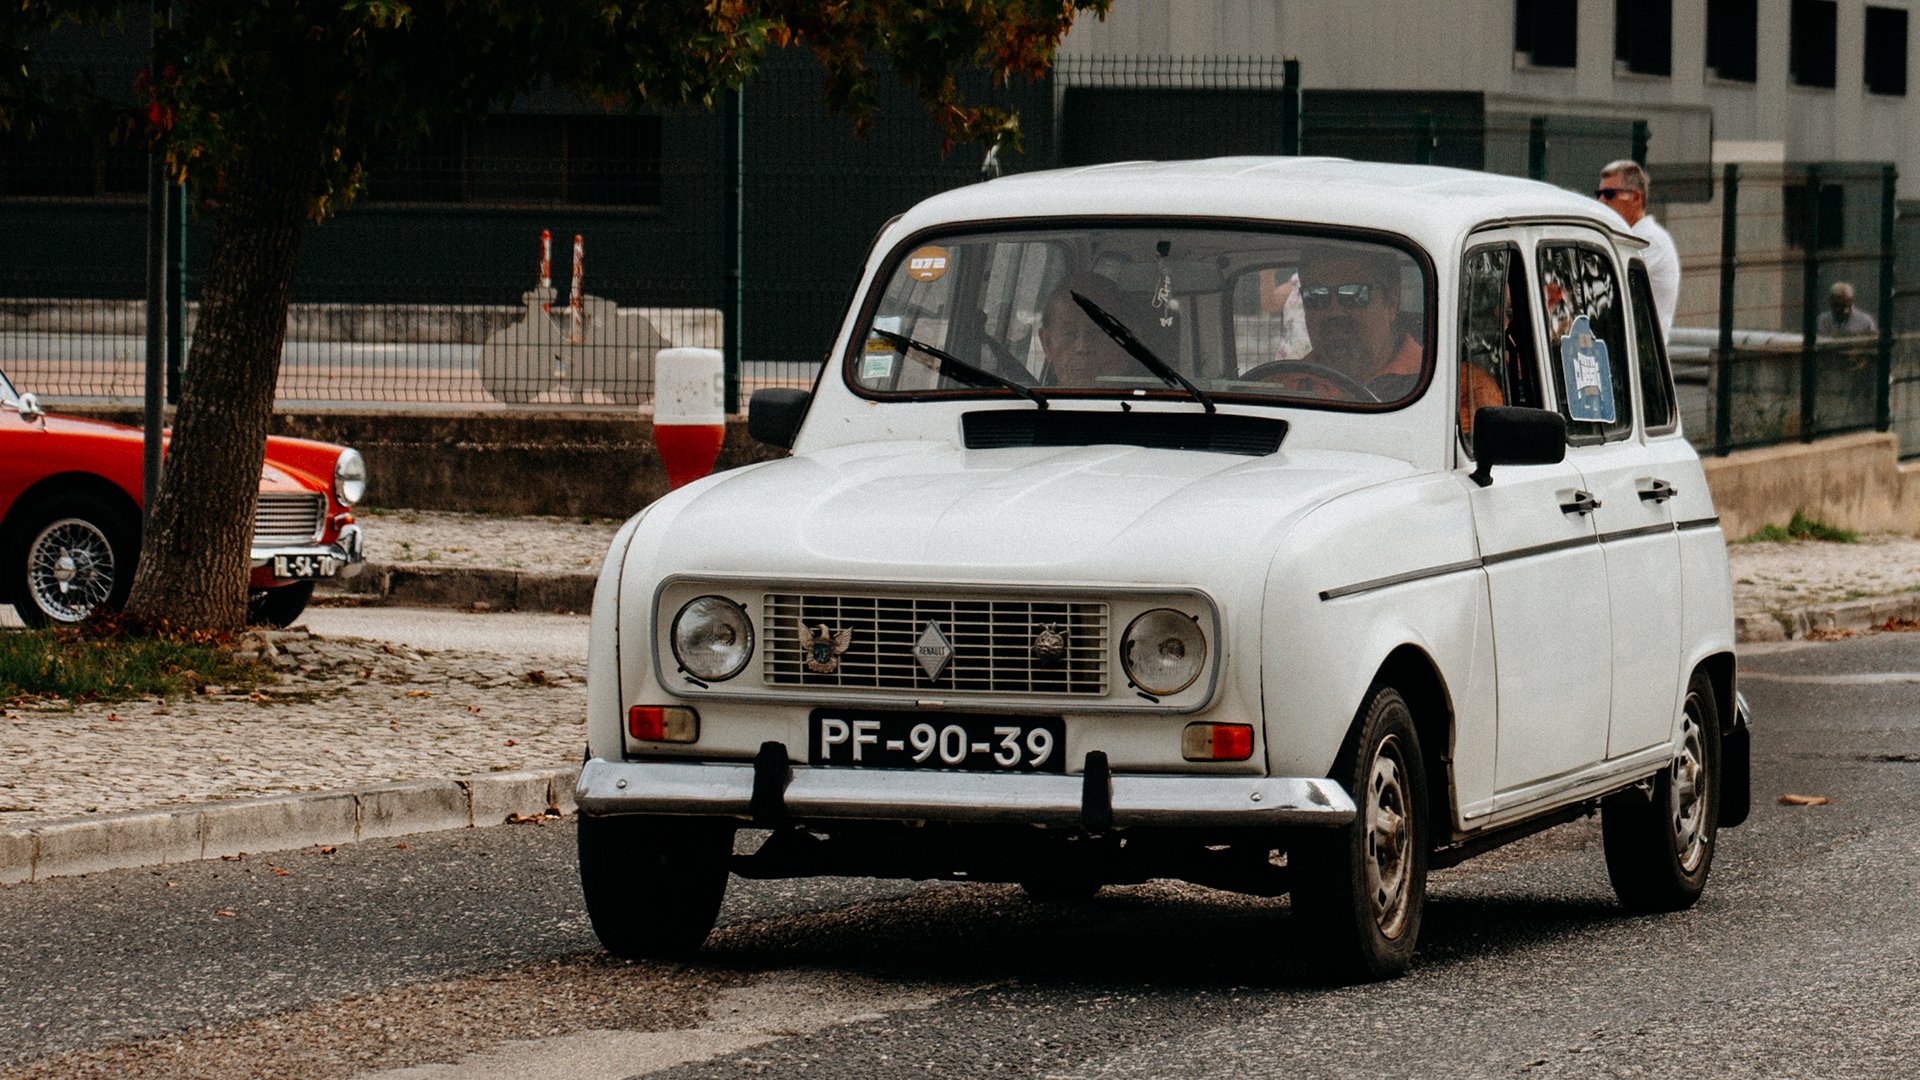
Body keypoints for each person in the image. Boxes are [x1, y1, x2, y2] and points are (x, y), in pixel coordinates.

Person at [1597, 159, 1679, 342]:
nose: (1601, 201)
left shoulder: (1649, 240)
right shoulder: (1626, 236)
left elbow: (1606, 287)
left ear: (1636, 197)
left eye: (1609, 194)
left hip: (1641, 357)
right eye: (1599, 194)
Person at [1038, 271, 1156, 386]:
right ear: (1047, 343)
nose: (1082, 347)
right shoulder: (1025, 401)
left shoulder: (1164, 403)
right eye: (1069, 334)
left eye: (1097, 331)